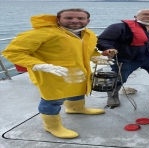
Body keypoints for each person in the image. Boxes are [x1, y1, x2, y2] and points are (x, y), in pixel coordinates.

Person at [2, 8, 113, 139]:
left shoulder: (88, 34)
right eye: (69, 18)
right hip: (52, 74)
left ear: (88, 21)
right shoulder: (43, 33)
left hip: (78, 72)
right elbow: (13, 52)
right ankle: (52, 126)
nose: (75, 21)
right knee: (52, 100)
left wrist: (96, 57)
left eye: (80, 18)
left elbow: (87, 51)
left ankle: (75, 108)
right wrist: (38, 65)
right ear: (58, 19)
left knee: (78, 90)